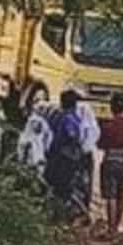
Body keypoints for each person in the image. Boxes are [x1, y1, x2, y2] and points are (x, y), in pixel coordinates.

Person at [98, 93, 123, 235]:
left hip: (109, 160)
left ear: (111, 107)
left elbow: (101, 144)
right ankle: (117, 225)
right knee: (120, 193)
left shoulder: (107, 125)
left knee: (111, 195)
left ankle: (111, 228)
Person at [46, 90, 86, 220]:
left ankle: (57, 216)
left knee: (56, 187)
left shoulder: (57, 116)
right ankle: (62, 217)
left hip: (56, 155)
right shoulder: (71, 118)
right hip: (66, 157)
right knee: (63, 189)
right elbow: (71, 135)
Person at [74, 97, 101, 215]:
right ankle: (85, 207)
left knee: (76, 180)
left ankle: (78, 208)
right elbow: (95, 137)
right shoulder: (90, 123)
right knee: (86, 181)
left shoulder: (74, 120)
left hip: (76, 154)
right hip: (87, 154)